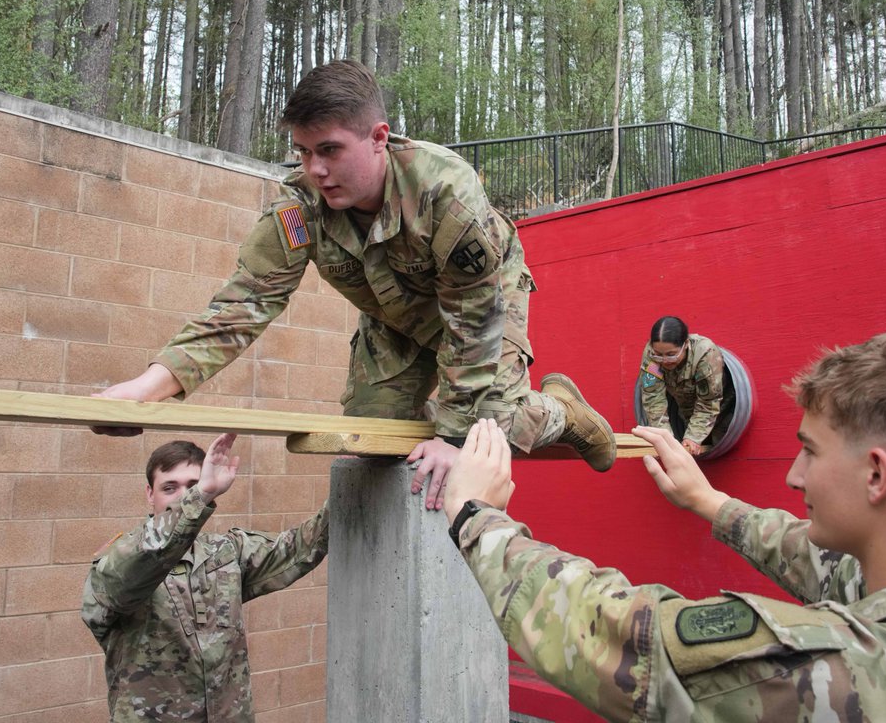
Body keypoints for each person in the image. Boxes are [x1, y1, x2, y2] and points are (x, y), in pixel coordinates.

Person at [444, 327, 886, 721]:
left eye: (810, 451)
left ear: (877, 474)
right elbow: (838, 572)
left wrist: (478, 517)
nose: (793, 477)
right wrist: (709, 503)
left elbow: (628, 641)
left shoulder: (846, 673)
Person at [95, 59, 615, 510]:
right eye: (302, 152)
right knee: (374, 440)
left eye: (330, 150)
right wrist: (148, 391)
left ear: (379, 138)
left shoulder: (444, 192)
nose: (315, 169)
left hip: (480, 306)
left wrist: (455, 436)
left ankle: (563, 412)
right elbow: (245, 304)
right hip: (395, 319)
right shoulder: (299, 207)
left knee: (487, 427)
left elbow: (474, 318)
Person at [82, 434, 329, 722]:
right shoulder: (119, 562)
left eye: (192, 486)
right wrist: (202, 494)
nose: (184, 495)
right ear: (150, 494)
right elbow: (137, 567)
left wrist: (350, 481)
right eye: (170, 487)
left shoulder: (224, 552)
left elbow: (302, 547)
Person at [638, 315, 729, 456]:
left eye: (671, 354)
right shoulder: (651, 355)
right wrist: (665, 439)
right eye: (659, 355)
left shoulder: (704, 354)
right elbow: (652, 398)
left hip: (721, 407)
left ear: (685, 344)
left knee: (720, 445)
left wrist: (693, 437)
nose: (664, 361)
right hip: (685, 407)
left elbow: (708, 402)